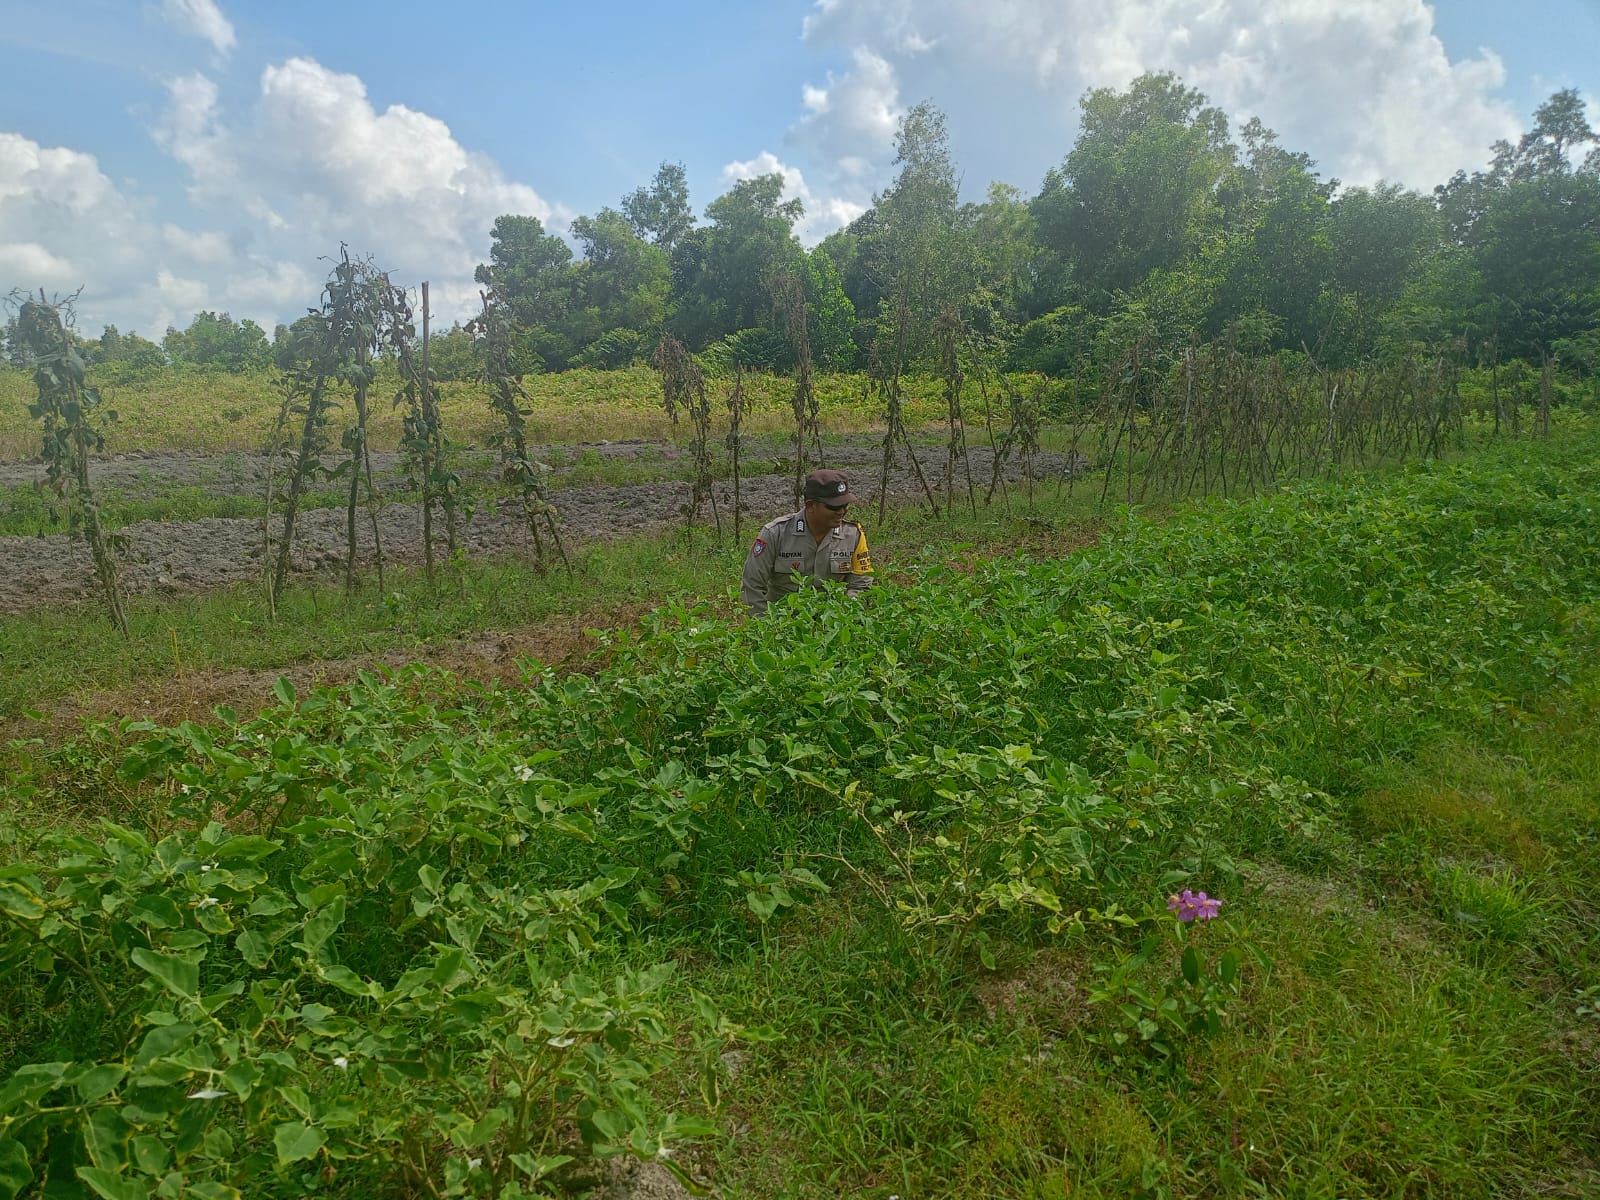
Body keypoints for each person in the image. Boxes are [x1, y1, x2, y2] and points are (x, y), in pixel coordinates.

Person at [740, 469, 874, 615]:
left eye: (845, 505)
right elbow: (752, 586)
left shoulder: (854, 535)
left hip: (833, 623)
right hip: (783, 622)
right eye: (834, 506)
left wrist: (847, 615)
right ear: (810, 505)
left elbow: (860, 585)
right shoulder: (775, 533)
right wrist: (765, 624)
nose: (841, 511)